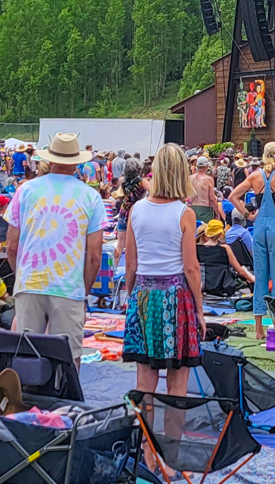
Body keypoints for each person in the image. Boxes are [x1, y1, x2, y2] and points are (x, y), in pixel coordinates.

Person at [119, 144, 203, 392]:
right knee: (178, 386)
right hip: (176, 299)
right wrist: (199, 309)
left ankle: (145, 431)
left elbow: (131, 265)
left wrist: (132, 296)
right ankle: (170, 433)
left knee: (144, 383)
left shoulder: (136, 210)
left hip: (143, 294)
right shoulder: (184, 213)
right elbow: (191, 268)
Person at [7, 133, 106, 343]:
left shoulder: (25, 190)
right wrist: (84, 289)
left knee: (26, 355)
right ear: (76, 163)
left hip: (30, 282)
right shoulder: (91, 197)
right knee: (68, 357)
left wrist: (21, 275)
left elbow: (12, 246)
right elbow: (95, 255)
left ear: (50, 159)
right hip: (69, 287)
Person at [228, 141, 275, 338]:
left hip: (260, 225)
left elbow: (233, 195)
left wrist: (247, 215)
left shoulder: (254, 176)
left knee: (261, 275)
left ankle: (259, 329)